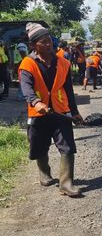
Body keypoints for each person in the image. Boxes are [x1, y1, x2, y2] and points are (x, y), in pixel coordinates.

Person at [19, 22, 84, 197]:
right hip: (38, 113)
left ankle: (66, 183)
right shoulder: (27, 64)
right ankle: (44, 174)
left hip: (60, 112)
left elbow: (68, 90)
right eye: (43, 42)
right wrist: (35, 102)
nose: (48, 44)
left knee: (68, 146)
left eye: (49, 40)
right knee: (39, 146)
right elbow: (26, 88)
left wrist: (75, 111)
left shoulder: (63, 62)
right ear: (33, 46)